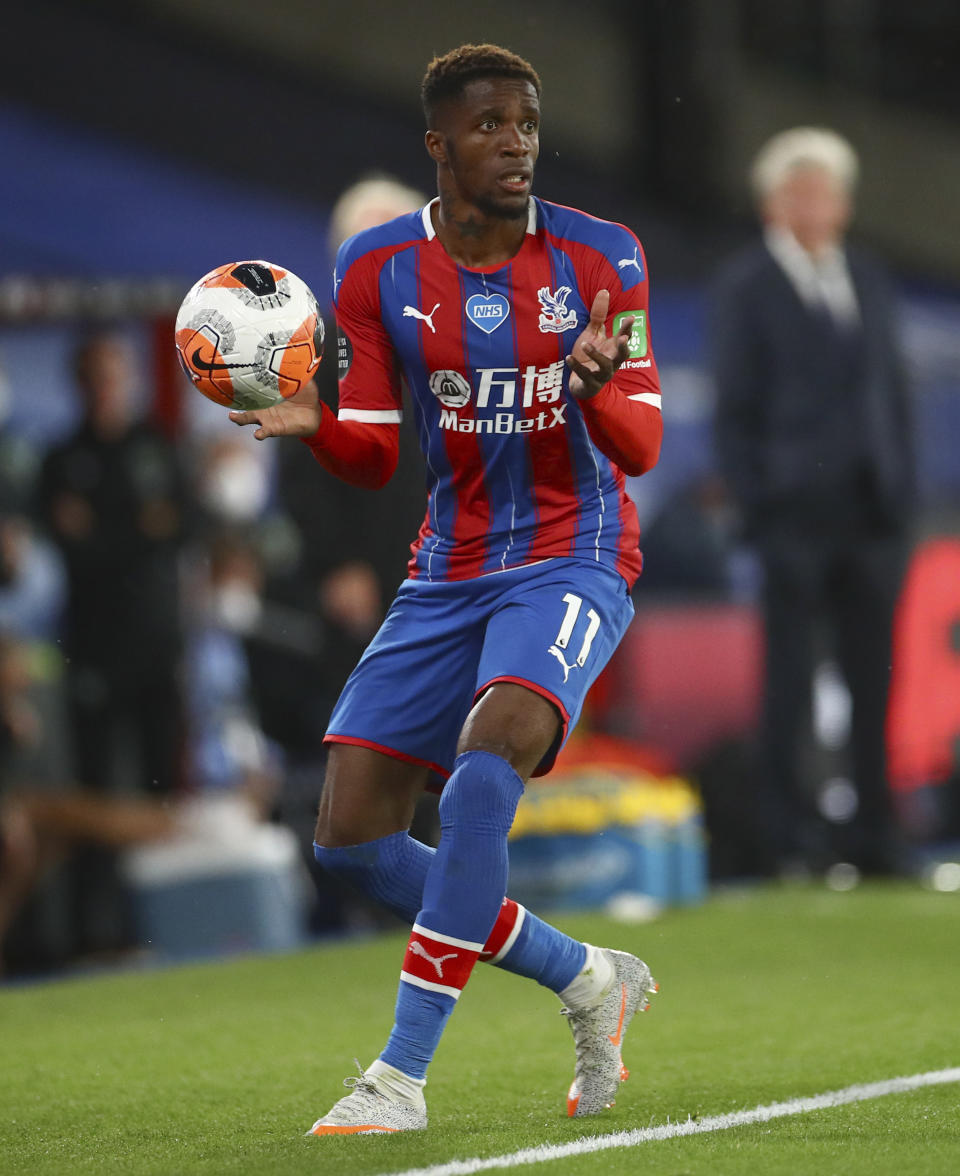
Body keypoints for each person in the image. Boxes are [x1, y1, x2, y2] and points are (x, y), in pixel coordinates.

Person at [231, 43, 663, 1134]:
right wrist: (315, 424)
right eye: (488, 126)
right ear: (438, 145)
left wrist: (598, 388)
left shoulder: (604, 257)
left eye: (525, 123)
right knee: (351, 841)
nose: (514, 142)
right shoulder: (377, 268)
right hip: (448, 567)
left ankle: (400, 1077)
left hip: (574, 552)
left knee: (481, 773)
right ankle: (587, 978)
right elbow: (376, 451)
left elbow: (646, 442)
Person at [708, 127, 916, 877]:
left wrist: (902, 494)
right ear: (772, 202)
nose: (817, 204)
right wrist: (758, 507)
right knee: (789, 683)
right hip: (791, 517)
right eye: (801, 189)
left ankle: (877, 838)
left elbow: (893, 392)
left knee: (876, 680)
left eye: (827, 190)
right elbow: (733, 412)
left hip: (874, 515)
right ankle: (786, 840)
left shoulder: (867, 273)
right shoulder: (745, 285)